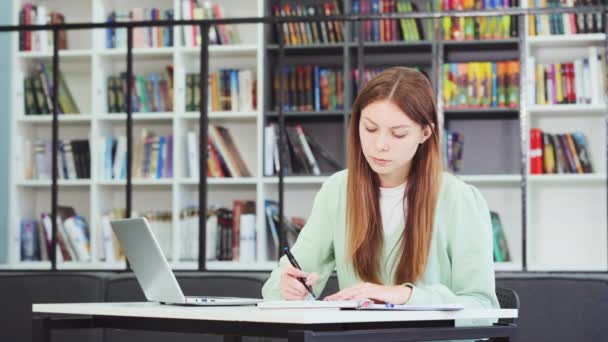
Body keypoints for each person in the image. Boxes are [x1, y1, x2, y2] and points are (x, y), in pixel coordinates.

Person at [261, 67, 499, 311]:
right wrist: (289, 289)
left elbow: (482, 306)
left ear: (425, 133)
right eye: (370, 129)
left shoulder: (458, 199)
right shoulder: (337, 191)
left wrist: (404, 295)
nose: (380, 145)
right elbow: (277, 287)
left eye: (398, 134)